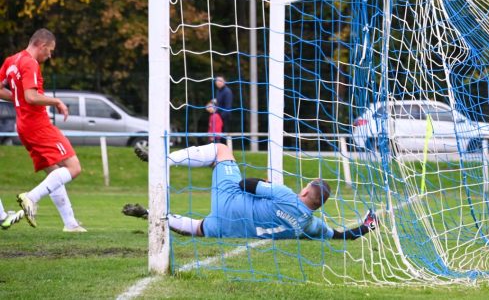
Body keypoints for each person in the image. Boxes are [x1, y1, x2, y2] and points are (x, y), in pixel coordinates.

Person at [125, 142, 377, 240]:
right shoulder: (309, 225)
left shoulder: (284, 194)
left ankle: (163, 159)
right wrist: (367, 226)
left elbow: (246, 184)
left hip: (232, 200)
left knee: (221, 150)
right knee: (200, 228)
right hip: (230, 229)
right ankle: (150, 214)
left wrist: (266, 183)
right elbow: (342, 236)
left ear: (304, 193)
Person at [0, 28, 86, 232]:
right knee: (74, 168)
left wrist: (17, 98)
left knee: (54, 172)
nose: (50, 55)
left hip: (23, 126)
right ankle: (30, 198)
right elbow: (31, 97)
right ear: (42, 45)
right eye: (50, 50)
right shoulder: (30, 63)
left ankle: (70, 223)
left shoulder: (12, 60)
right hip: (38, 125)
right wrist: (56, 100)